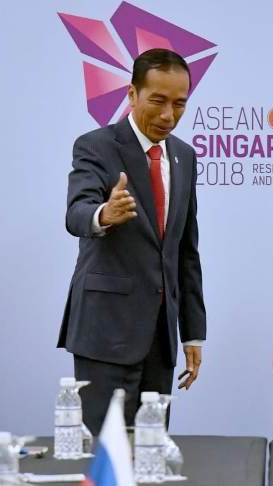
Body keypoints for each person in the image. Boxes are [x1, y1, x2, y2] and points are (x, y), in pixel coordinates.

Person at [59, 48, 206, 434]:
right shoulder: (95, 145)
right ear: (132, 94)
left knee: (151, 452)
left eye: (179, 104)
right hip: (105, 333)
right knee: (107, 453)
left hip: (160, 339)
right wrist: (103, 214)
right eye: (158, 101)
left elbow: (185, 251)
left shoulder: (185, 156)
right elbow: (77, 212)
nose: (168, 115)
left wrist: (192, 332)